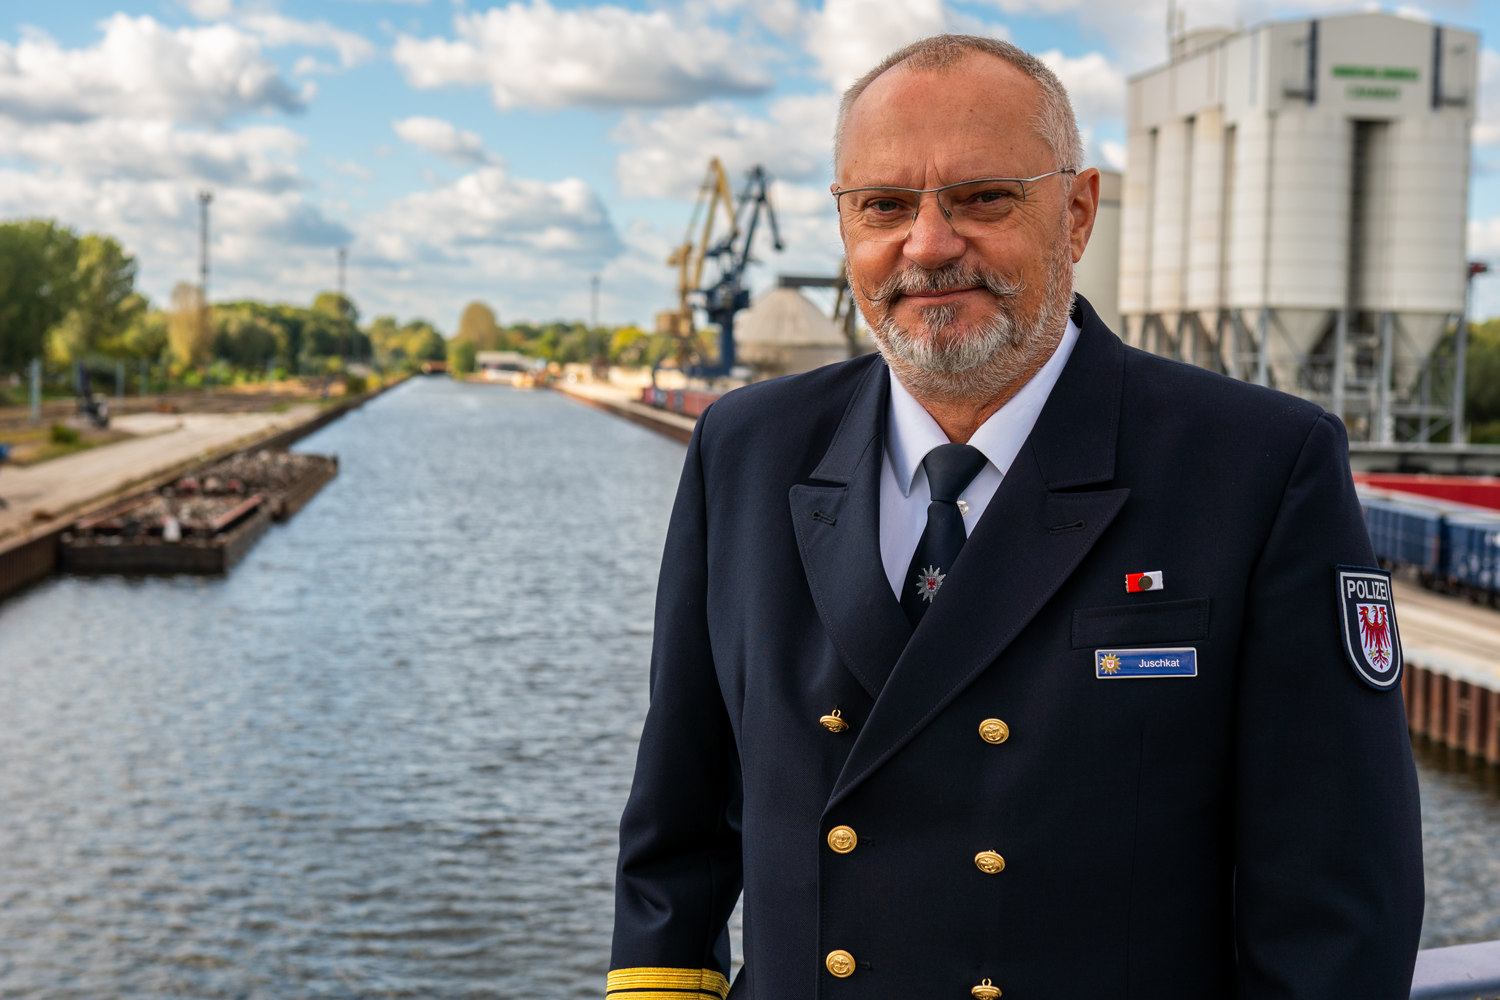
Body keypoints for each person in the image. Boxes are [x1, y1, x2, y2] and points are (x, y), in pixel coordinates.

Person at [609, 34, 1423, 1000]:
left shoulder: (1257, 466)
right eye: (883, 206)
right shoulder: (747, 447)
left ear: (1075, 214)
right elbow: (680, 827)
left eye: (982, 198)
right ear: (845, 227)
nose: (928, 244)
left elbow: (1335, 900)